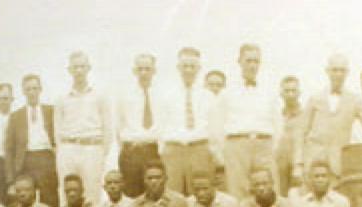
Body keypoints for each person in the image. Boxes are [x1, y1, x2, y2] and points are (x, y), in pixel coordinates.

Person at [295, 54, 362, 180]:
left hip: (338, 165)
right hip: (313, 163)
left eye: (342, 70)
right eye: (335, 70)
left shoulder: (355, 100)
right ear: (327, 71)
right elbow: (301, 132)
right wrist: (298, 164)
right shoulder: (315, 98)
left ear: (347, 73)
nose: (338, 74)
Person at [216, 43, 279, 199]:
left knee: (269, 188)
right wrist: (224, 151)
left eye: (256, 61)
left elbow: (278, 123)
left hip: (263, 144)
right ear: (239, 62)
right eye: (248, 61)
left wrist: (271, 146)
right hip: (237, 145)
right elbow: (217, 125)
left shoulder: (269, 91)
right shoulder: (227, 93)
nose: (252, 65)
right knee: (238, 192)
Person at [55, 51, 111, 206]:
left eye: (82, 66)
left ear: (88, 68)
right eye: (75, 67)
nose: (79, 70)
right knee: (67, 191)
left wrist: (101, 151)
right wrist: (63, 149)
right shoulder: (62, 97)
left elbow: (108, 127)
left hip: (92, 149)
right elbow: (57, 128)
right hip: (68, 148)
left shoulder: (99, 95)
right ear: (69, 70)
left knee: (92, 193)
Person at [161, 47, 217, 196]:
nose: (188, 70)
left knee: (200, 193)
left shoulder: (208, 96)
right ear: (178, 68)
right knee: (172, 195)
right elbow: (161, 125)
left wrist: (211, 151)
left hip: (199, 148)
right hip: (174, 149)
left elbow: (214, 127)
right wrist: (163, 151)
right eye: (185, 66)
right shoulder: (166, 94)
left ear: (199, 68)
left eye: (192, 66)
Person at [5, 74, 59, 207]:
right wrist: (11, 177)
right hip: (25, 159)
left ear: (40, 89)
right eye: (28, 89)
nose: (32, 92)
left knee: (50, 197)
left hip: (46, 158)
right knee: (25, 198)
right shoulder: (16, 116)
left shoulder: (51, 111)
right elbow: (9, 148)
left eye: (35, 88)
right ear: (23, 91)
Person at [115, 54, 161, 198]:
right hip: (131, 151)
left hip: (153, 150)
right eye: (140, 69)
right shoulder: (124, 94)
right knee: (131, 196)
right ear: (134, 71)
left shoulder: (162, 94)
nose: (143, 73)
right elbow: (118, 124)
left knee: (155, 194)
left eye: (147, 69)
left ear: (154, 71)